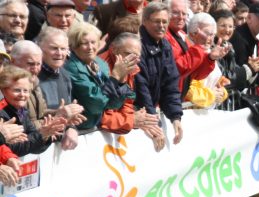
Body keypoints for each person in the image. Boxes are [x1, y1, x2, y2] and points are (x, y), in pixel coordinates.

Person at [65, 22, 132, 133]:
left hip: (94, 127)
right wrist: (115, 76)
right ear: (74, 45)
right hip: (77, 129)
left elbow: (114, 104)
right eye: (84, 43)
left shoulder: (100, 64)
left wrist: (121, 80)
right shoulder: (71, 66)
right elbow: (96, 104)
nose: (90, 47)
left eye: (93, 42)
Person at [136, 1, 184, 145]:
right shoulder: (137, 45)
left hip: (148, 115)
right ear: (144, 21)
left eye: (164, 21)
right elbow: (140, 87)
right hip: (137, 115)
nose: (161, 25)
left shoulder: (165, 46)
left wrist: (175, 117)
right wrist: (152, 121)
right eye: (157, 21)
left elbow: (170, 84)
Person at [166, 0, 217, 99]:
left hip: (177, 98)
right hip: (167, 99)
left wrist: (210, 59)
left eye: (184, 13)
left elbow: (195, 74)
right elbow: (178, 69)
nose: (181, 17)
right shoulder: (164, 37)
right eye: (176, 12)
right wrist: (198, 46)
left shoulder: (182, 35)